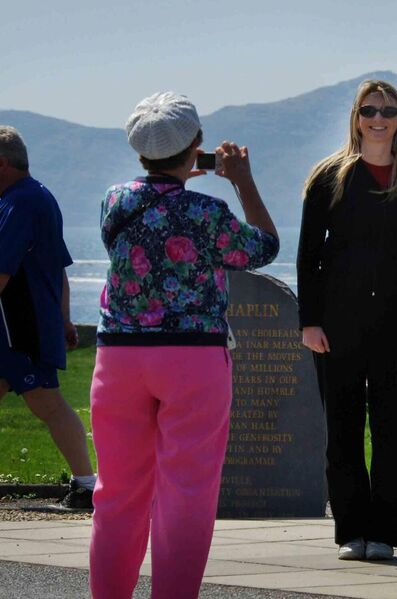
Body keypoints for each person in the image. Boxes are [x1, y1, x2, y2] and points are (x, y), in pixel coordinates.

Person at [88, 92, 279, 598]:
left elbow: (154, 202)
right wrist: (242, 180)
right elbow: (264, 246)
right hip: (193, 357)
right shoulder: (208, 212)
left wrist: (175, 167)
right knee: (187, 495)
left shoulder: (115, 200)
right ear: (196, 146)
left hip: (119, 356)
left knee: (117, 495)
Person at [297, 79, 397, 561]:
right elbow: (308, 256)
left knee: (392, 433)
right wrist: (310, 322)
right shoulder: (328, 177)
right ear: (357, 117)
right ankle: (351, 531)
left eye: (388, 110)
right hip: (336, 325)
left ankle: (385, 533)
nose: (378, 117)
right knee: (342, 432)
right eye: (369, 109)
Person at [0, 125, 96, 510]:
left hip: (20, 330)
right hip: (22, 327)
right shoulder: (36, 197)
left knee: (49, 404)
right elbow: (58, 269)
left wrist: (61, 320)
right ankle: (87, 485)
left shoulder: (19, 203)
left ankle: (87, 486)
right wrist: (67, 318)